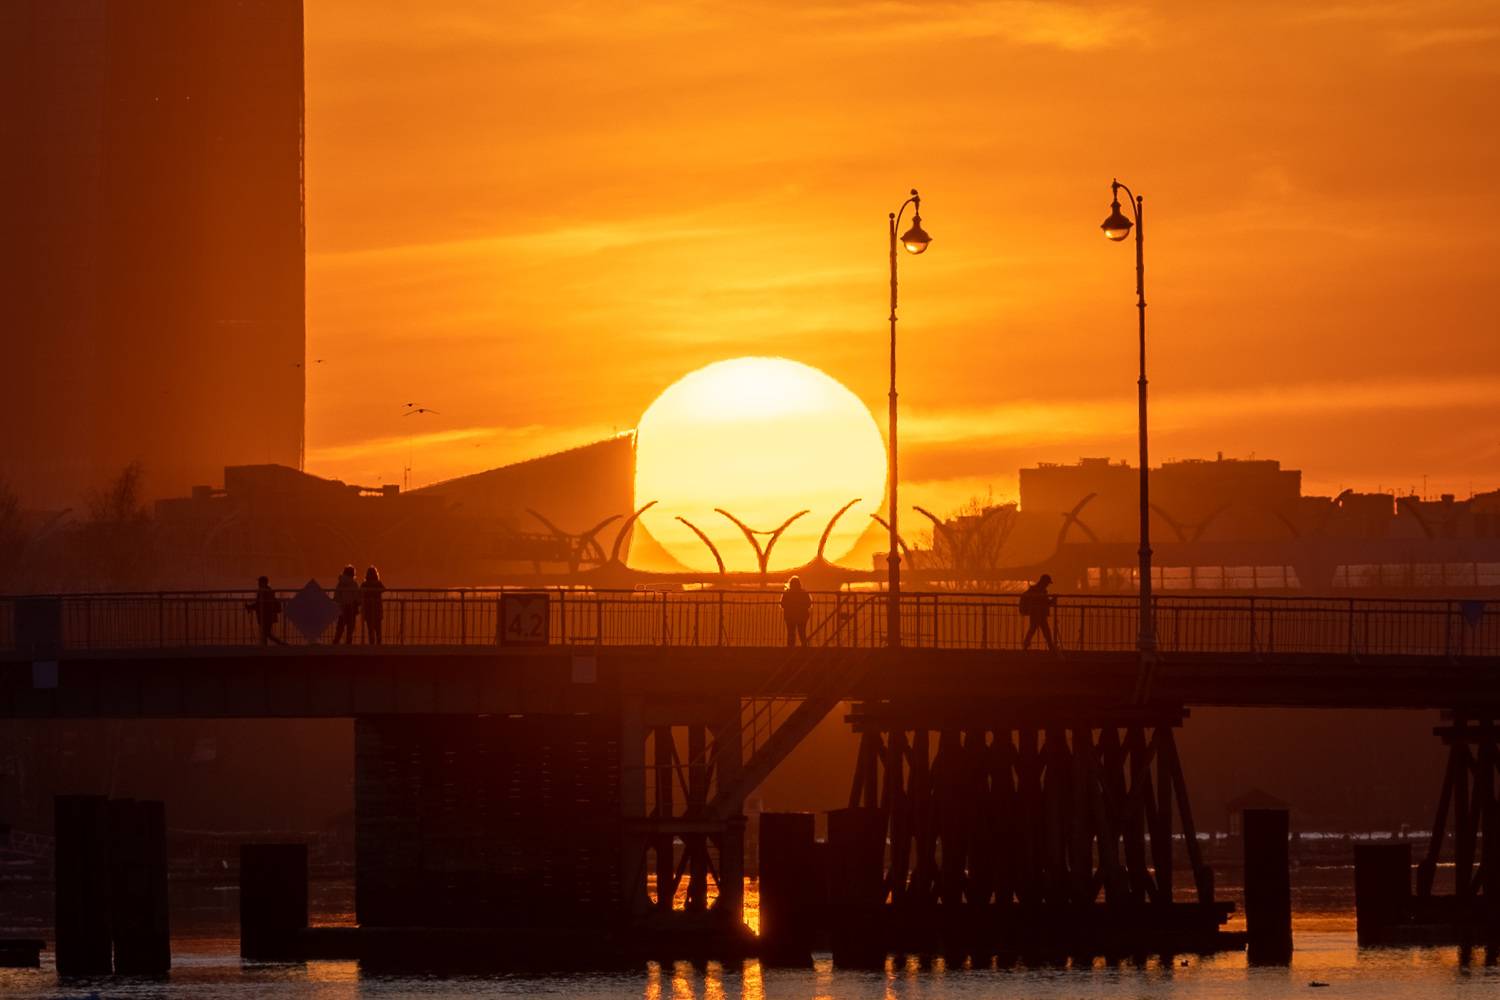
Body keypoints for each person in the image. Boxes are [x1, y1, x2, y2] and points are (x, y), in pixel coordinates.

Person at [1019, 573, 1057, 653]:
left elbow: (1044, 602)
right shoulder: (1038, 590)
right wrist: (1053, 601)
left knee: (1036, 629)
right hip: (1038, 613)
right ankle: (1050, 646)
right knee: (1043, 630)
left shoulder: (1036, 590)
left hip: (1037, 613)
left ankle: (1026, 645)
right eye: (1047, 583)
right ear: (1044, 582)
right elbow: (1045, 602)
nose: (1047, 585)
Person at [247, 576, 284, 646]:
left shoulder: (265, 591)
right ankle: (266, 646)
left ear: (263, 583)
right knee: (265, 633)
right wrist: (251, 607)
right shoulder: (268, 591)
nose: (258, 584)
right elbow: (260, 603)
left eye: (259, 582)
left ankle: (281, 644)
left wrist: (250, 607)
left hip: (266, 615)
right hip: (267, 615)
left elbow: (261, 603)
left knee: (266, 633)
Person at [780, 575, 812, 647]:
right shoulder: (803, 593)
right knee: (802, 633)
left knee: (791, 633)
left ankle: (790, 649)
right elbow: (809, 604)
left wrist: (790, 606)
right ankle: (804, 648)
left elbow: (782, 604)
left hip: (790, 616)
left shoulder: (787, 593)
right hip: (802, 616)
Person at [333, 565, 361, 644]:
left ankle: (336, 642)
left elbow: (336, 595)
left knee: (340, 627)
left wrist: (340, 603)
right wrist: (359, 602)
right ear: (353, 573)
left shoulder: (340, 583)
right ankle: (348, 643)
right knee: (350, 627)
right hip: (351, 608)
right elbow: (357, 597)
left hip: (342, 608)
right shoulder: (354, 584)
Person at [361, 566, 386, 645]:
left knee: (370, 628)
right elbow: (383, 589)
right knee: (378, 628)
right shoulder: (378, 584)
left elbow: (359, 592)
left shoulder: (364, 584)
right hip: (377, 608)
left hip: (368, 609)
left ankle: (371, 643)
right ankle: (379, 643)